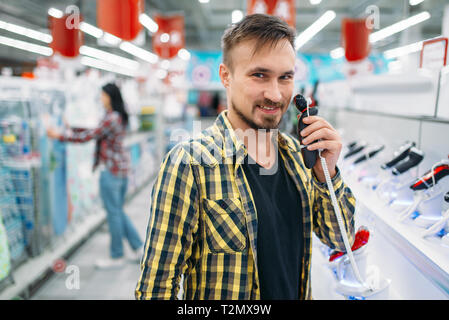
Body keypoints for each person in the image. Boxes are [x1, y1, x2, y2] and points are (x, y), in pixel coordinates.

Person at [135, 14, 355, 300]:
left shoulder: (298, 158)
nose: (275, 94)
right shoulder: (190, 164)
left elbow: (341, 239)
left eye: (285, 77)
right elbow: (156, 288)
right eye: (259, 75)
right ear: (226, 76)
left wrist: (327, 174)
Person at [47, 83, 143, 269]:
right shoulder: (117, 116)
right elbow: (95, 130)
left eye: (102, 95)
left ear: (109, 96)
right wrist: (72, 128)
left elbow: (89, 136)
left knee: (113, 213)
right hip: (120, 171)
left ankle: (116, 256)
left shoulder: (112, 117)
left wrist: (59, 135)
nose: (100, 98)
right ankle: (139, 248)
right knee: (118, 211)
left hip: (111, 172)